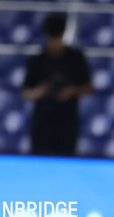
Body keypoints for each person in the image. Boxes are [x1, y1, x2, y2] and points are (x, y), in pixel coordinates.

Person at [22, 13, 94, 156]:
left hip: (67, 122)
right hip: (42, 123)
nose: (54, 42)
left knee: (66, 164)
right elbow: (26, 92)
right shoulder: (37, 60)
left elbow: (89, 88)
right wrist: (39, 92)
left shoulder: (75, 58)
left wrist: (72, 91)